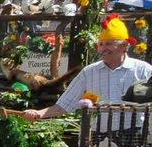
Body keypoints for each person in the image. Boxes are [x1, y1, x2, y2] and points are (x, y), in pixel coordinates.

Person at [21, 14, 152, 119]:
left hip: (136, 136)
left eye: (108, 44)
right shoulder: (90, 72)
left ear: (124, 46)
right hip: (99, 136)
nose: (103, 49)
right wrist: (39, 113)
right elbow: (64, 105)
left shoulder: (143, 70)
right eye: (100, 44)